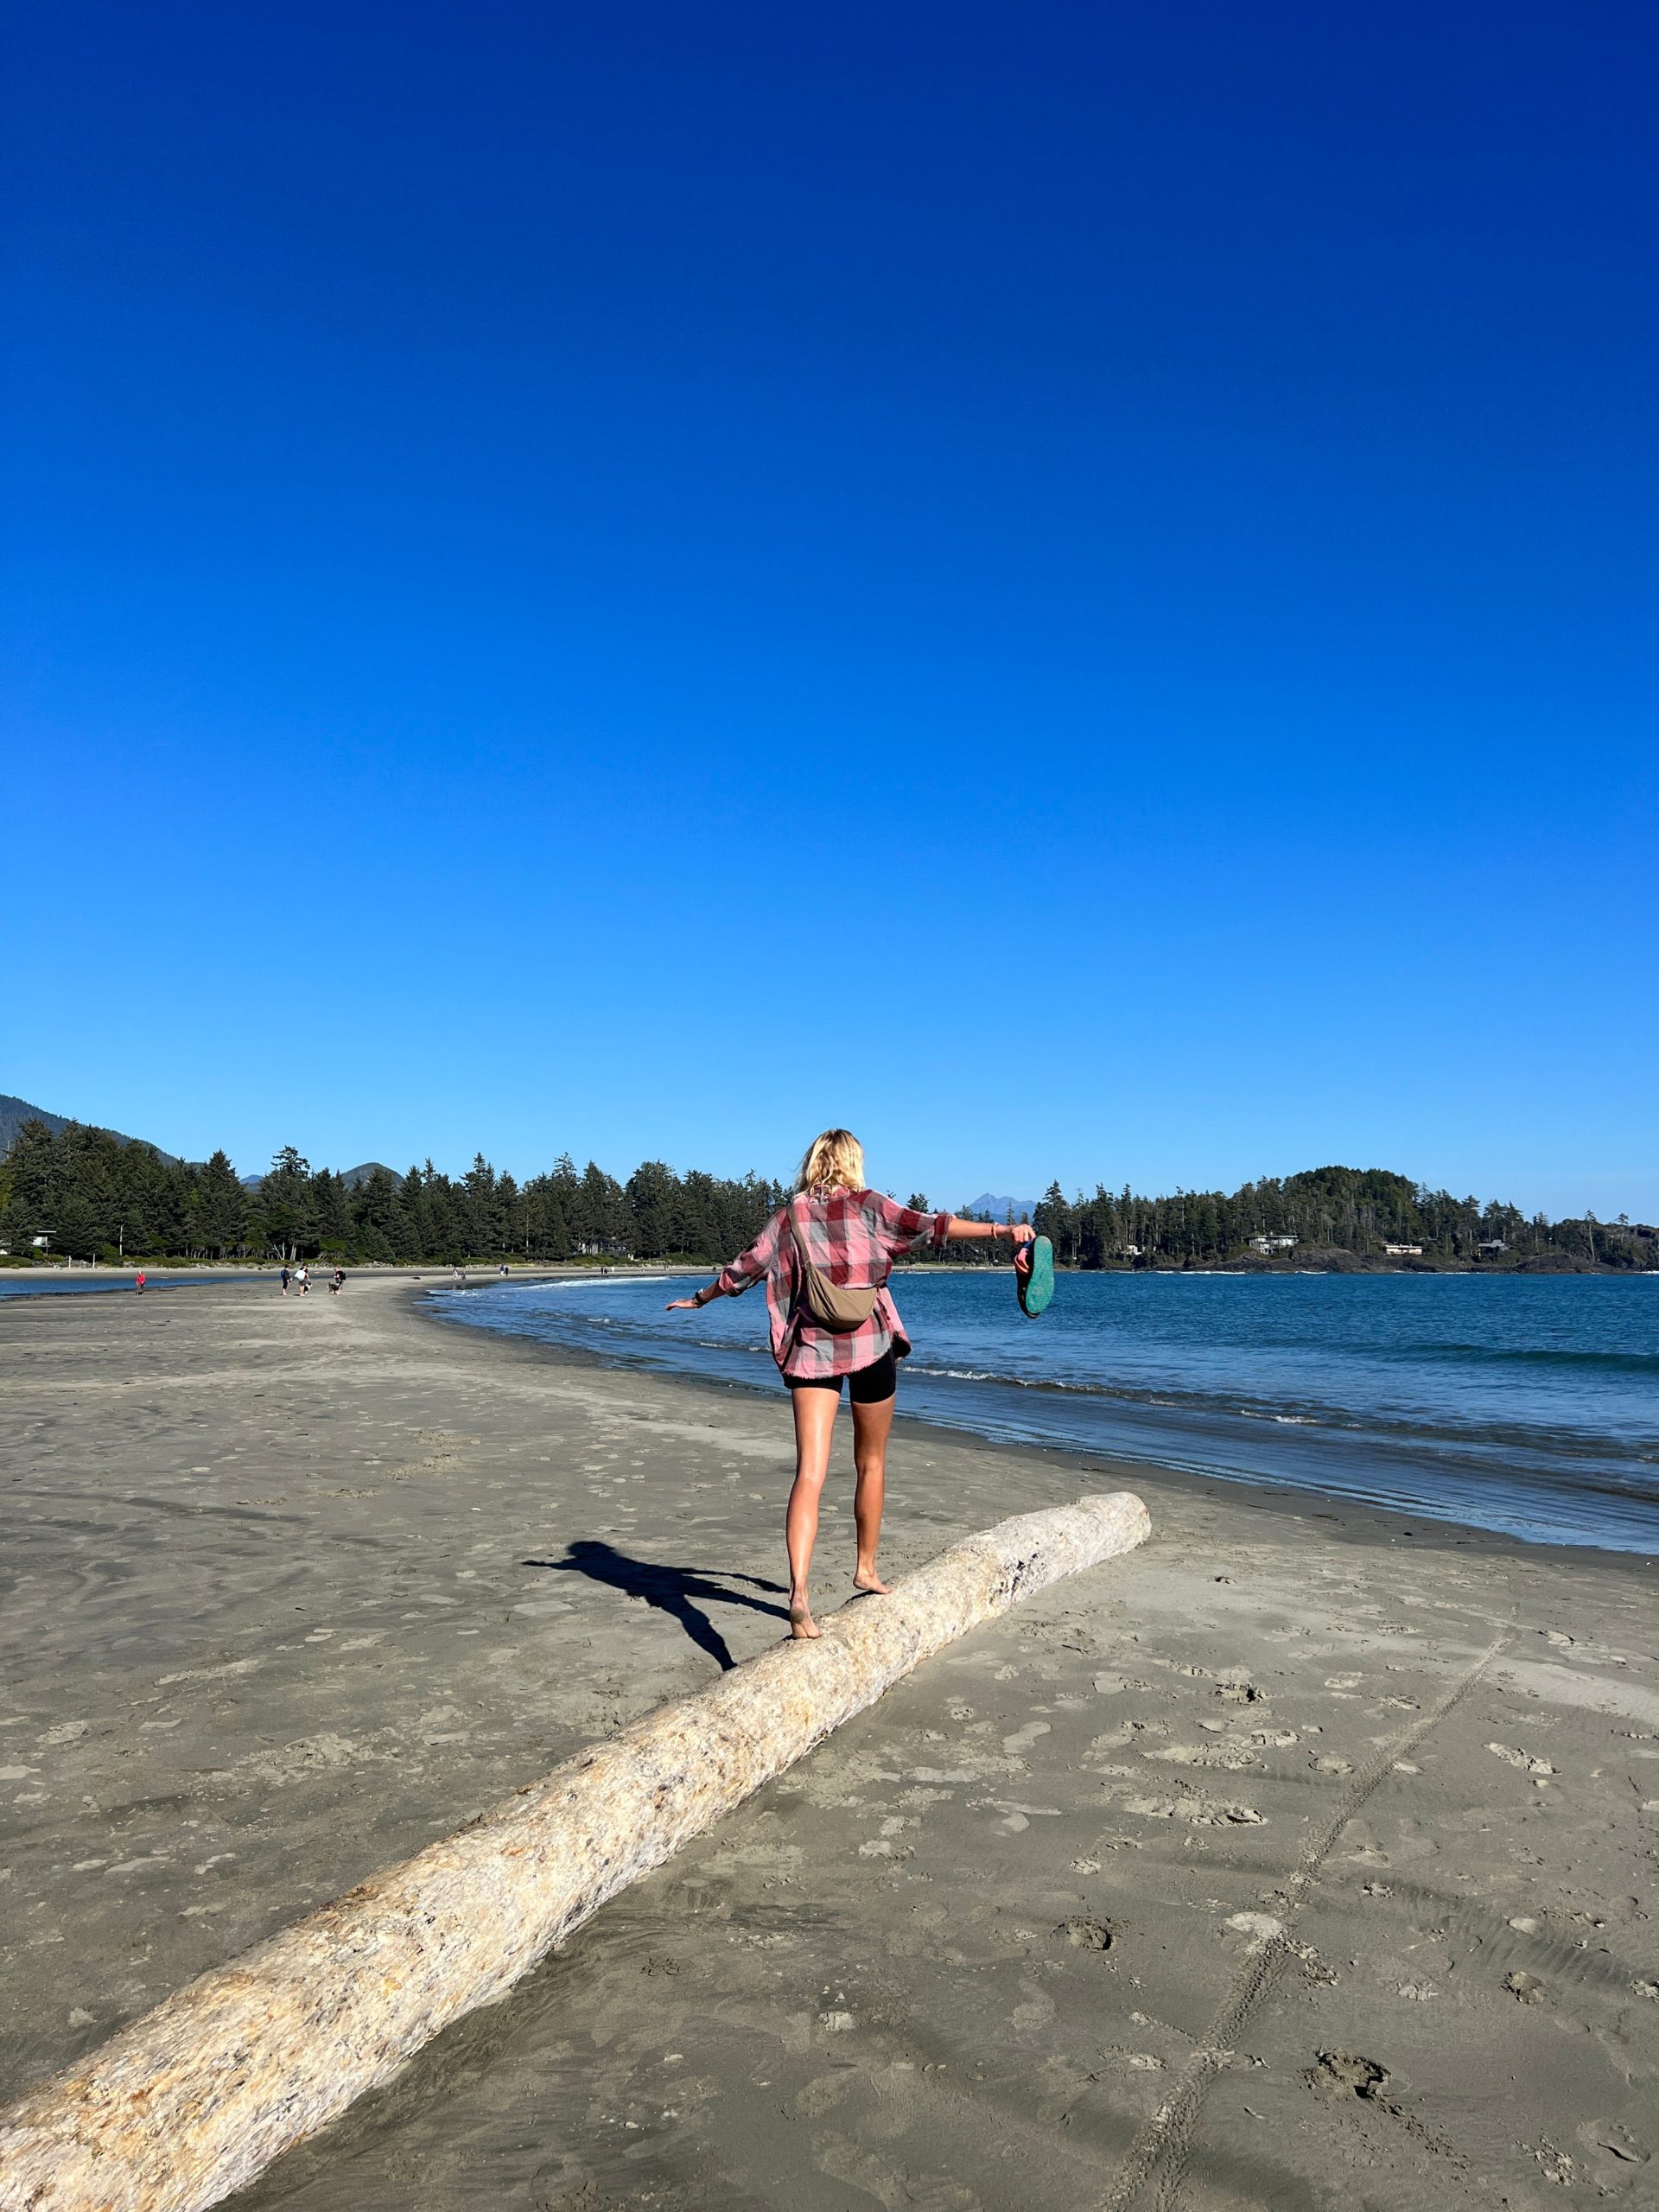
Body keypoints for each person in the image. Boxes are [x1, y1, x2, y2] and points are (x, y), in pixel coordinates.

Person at [667, 1128, 1033, 1640]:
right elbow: (936, 1226)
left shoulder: (788, 1216)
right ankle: (865, 1568)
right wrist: (1002, 1233)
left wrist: (700, 1299)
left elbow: (743, 1269)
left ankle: (799, 1595)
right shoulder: (869, 1207)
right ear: (853, 1163)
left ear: (813, 1162)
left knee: (809, 1475)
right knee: (872, 1462)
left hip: (812, 1352)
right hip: (871, 1346)